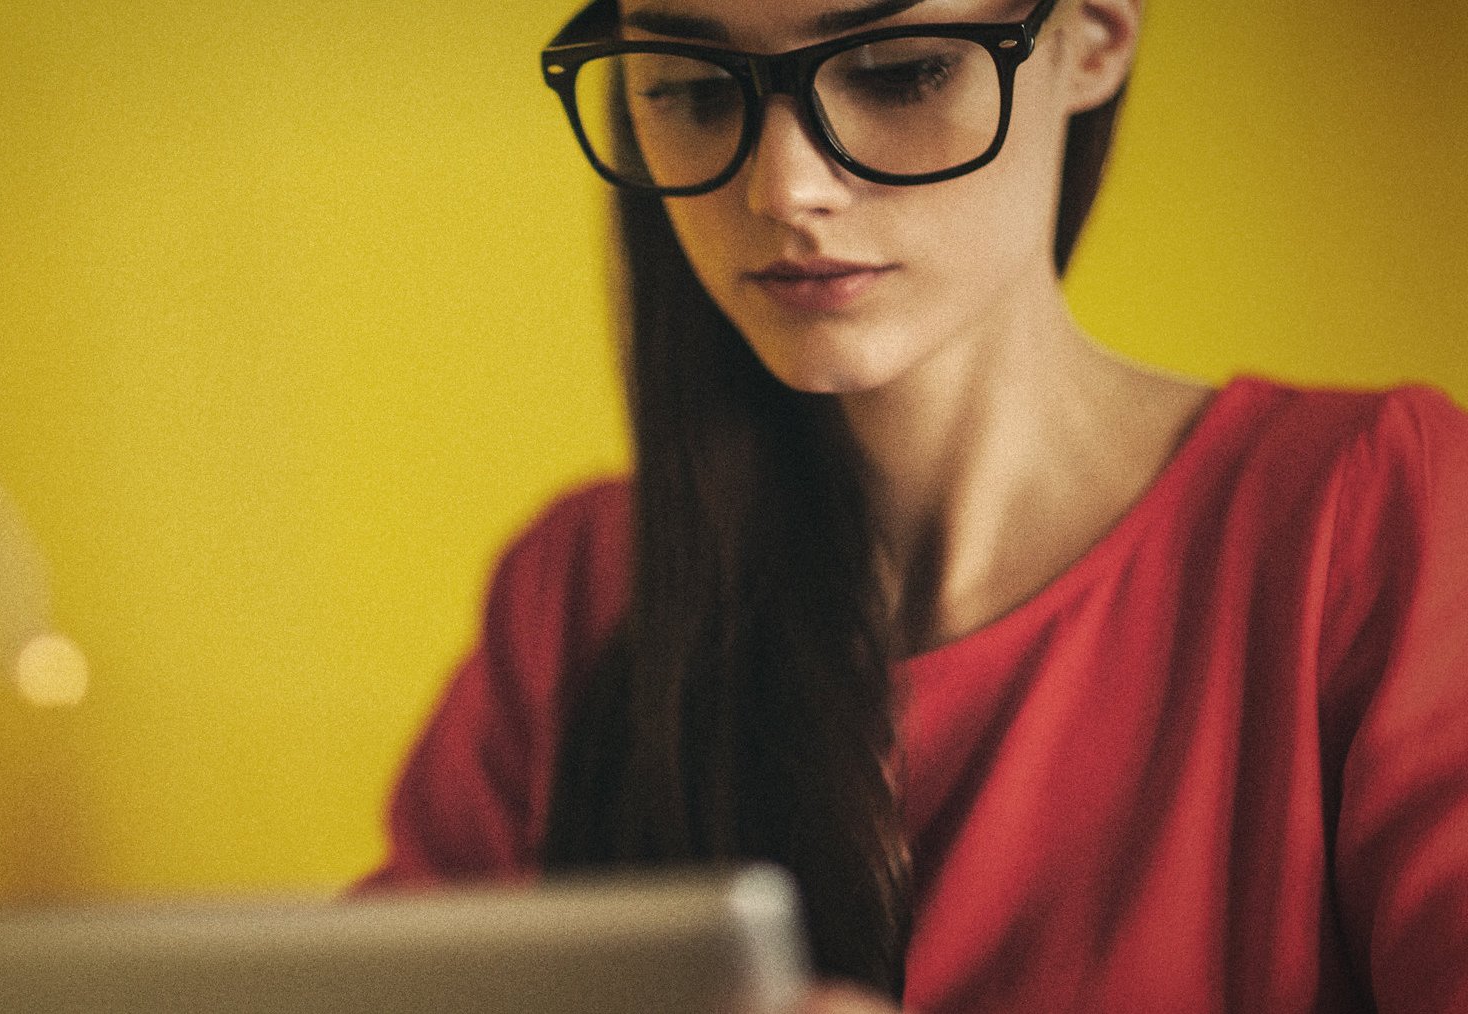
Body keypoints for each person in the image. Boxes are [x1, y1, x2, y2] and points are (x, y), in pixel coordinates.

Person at [360, 0, 1468, 1011]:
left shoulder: (1376, 516)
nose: (783, 187)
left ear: (1091, 39)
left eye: (898, 73)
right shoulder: (580, 586)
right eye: (694, 92)